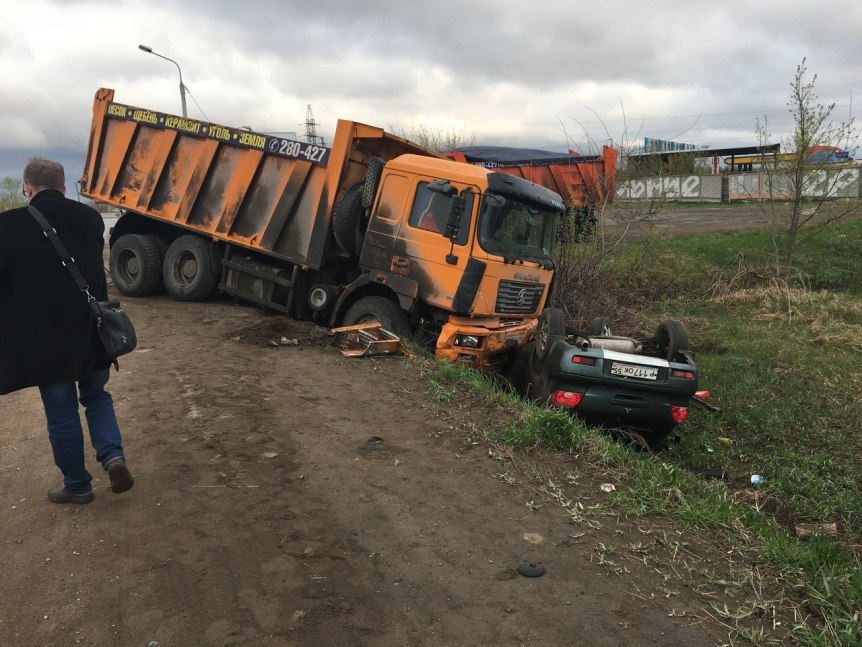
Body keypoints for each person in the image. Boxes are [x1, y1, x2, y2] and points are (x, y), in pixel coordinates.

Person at [0, 158, 133, 504]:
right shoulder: (90, 218)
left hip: (46, 340)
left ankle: (77, 485)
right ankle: (113, 456)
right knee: (97, 396)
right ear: (63, 186)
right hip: (93, 330)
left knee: (61, 412)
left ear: (27, 188)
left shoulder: (9, 225)